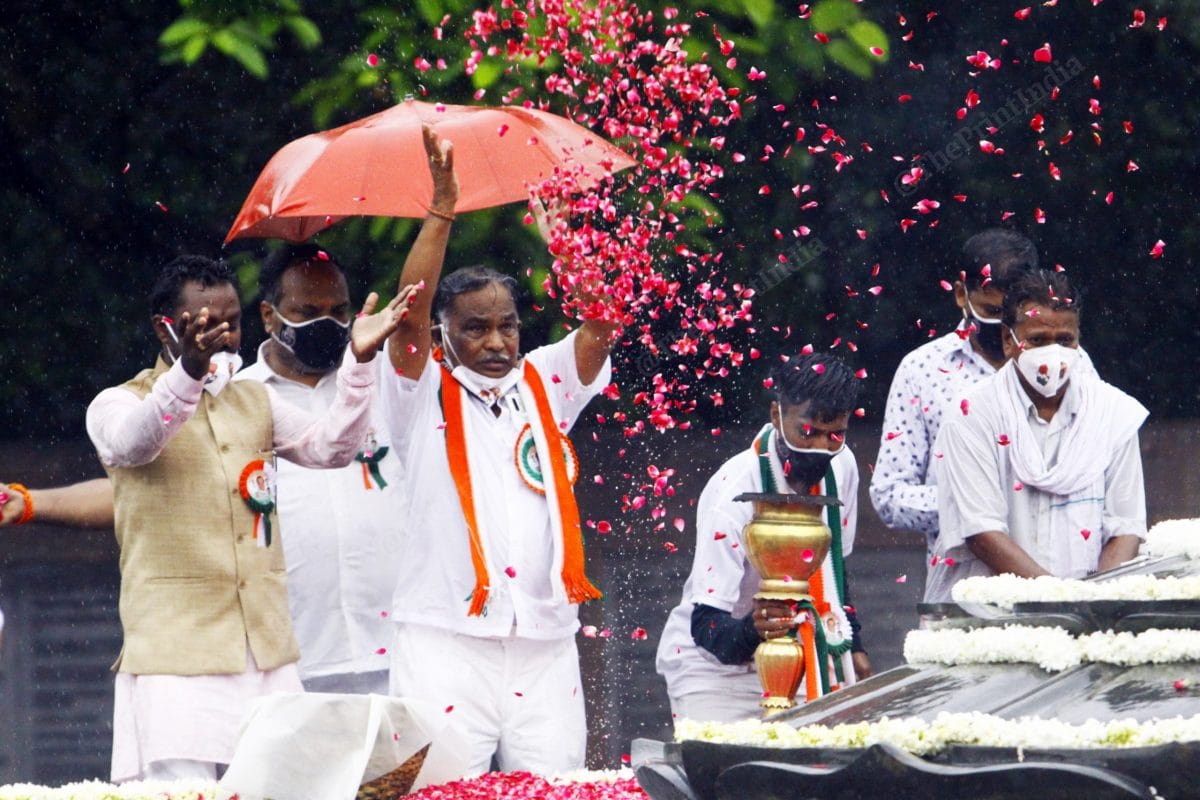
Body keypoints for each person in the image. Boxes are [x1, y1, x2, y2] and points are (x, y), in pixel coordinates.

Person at [84, 254, 413, 782]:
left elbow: (332, 449)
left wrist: (359, 363)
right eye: (203, 325)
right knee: (183, 795)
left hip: (265, 655)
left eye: (230, 323)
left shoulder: (252, 399)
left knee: (286, 791)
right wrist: (188, 374)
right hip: (176, 656)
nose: (220, 337)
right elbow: (136, 443)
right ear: (163, 328)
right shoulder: (117, 403)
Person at [378, 136, 618, 775]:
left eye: (506, 325)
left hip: (543, 640)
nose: (495, 341)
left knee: (557, 790)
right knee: (437, 793)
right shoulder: (417, 389)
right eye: (474, 328)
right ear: (443, 334)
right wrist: (443, 209)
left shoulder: (544, 381)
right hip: (444, 641)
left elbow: (601, 325)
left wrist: (567, 246)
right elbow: (406, 318)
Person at [869, 229, 1097, 598]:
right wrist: (975, 507)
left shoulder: (1075, 363)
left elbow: (1097, 470)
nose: (1004, 327)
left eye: (1014, 314)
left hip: (1065, 582)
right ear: (962, 293)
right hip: (966, 594)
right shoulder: (922, 370)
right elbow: (889, 496)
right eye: (993, 312)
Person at [656, 353, 871, 723]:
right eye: (807, 432)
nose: (821, 447)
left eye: (834, 434)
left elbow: (833, 573)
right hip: (714, 672)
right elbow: (707, 624)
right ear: (776, 416)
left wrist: (854, 647)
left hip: (802, 654)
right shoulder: (734, 491)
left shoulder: (844, 465)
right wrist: (754, 627)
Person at [926, 269, 1146, 602]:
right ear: (1008, 341)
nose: (1053, 354)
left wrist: (1095, 605)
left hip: (1091, 616)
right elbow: (982, 532)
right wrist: (1060, 600)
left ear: (1078, 339)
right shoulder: (972, 414)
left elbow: (1126, 527)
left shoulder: (1112, 413)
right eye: (1038, 340)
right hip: (990, 616)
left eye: (1065, 340)